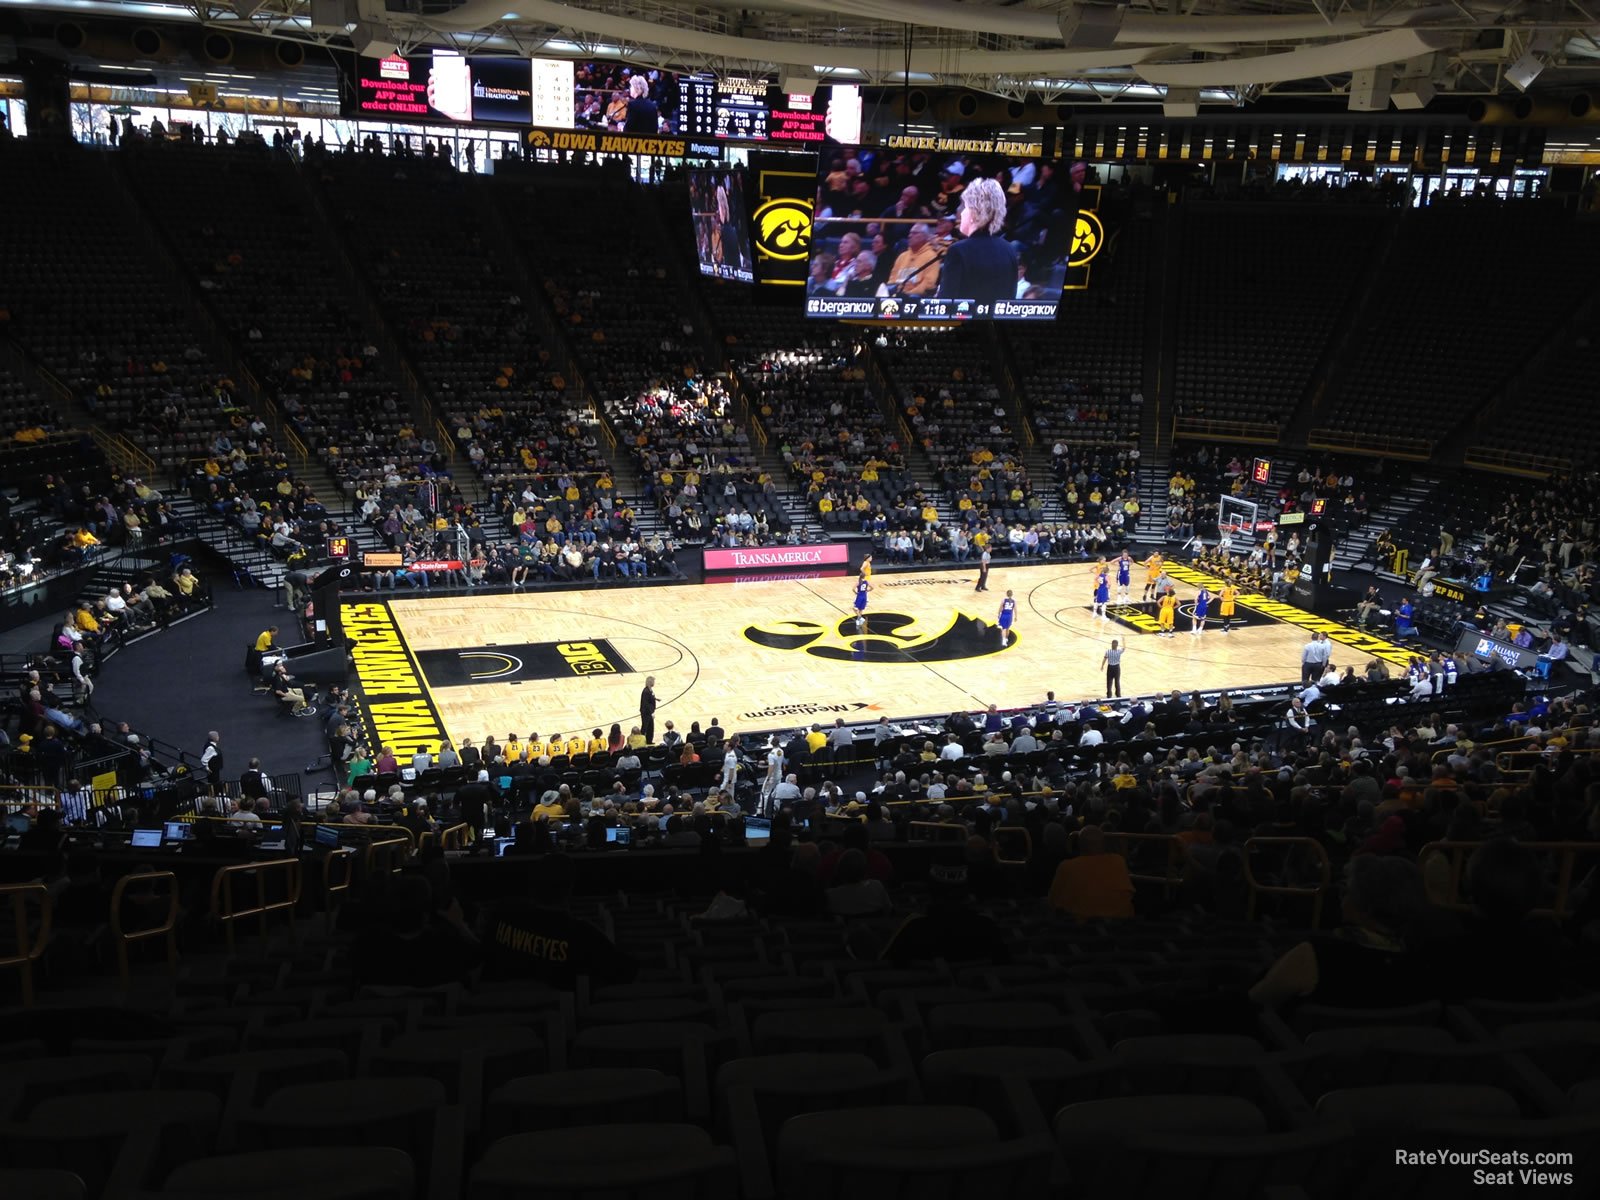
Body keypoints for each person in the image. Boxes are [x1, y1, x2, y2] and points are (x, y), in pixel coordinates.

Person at [1250, 856, 1432, 1010]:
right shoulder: (1425, 965)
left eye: (1346, 891)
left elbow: (1255, 1002)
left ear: (1365, 907)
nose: (1342, 896)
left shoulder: (1315, 956)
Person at [480, 854, 637, 989]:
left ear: (532, 885)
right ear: (570, 889)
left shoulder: (503, 914)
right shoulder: (583, 936)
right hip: (561, 1015)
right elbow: (627, 972)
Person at [938, 177, 1018, 310]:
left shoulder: (958, 250)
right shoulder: (1008, 249)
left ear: (974, 213)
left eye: (965, 207)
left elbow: (946, 305)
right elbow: (1010, 302)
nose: (961, 213)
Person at [1048, 826, 1135, 920]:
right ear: (1103, 844)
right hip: (1120, 922)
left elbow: (1054, 900)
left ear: (1079, 845)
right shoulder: (1119, 861)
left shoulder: (1066, 866)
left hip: (1080, 926)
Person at [885, 222, 943, 297]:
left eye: (914, 233)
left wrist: (909, 295)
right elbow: (892, 279)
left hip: (916, 298)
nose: (909, 236)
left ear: (925, 236)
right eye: (910, 233)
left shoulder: (932, 257)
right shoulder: (902, 256)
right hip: (896, 296)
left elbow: (929, 283)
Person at [639, 675, 657, 745]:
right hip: (646, 713)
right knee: (645, 727)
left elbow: (650, 700)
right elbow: (646, 704)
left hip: (649, 712)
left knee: (650, 727)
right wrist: (651, 713)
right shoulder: (646, 691)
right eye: (653, 681)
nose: (654, 682)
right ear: (650, 682)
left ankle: (649, 741)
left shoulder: (650, 690)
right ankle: (641, 741)